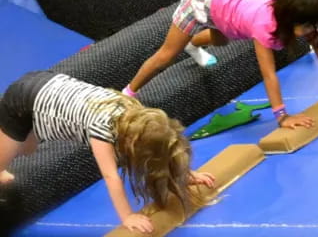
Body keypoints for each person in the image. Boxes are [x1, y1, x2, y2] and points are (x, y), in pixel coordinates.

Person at [123, 0, 318, 128]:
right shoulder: (264, 27)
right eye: (305, 26)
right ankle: (127, 93)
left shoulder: (302, 19)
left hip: (228, 4)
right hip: (202, 0)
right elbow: (268, 74)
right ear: (288, 18)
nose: (310, 31)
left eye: (312, 24)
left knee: (221, 40)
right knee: (167, 55)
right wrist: (282, 117)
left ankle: (192, 42)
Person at [0, 70, 215, 234]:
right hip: (22, 99)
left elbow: (164, 151)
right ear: (134, 143)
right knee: (9, 158)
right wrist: (128, 216)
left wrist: (187, 175)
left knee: (28, 150)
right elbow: (111, 176)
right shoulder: (101, 131)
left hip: (48, 86)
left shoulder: (137, 116)